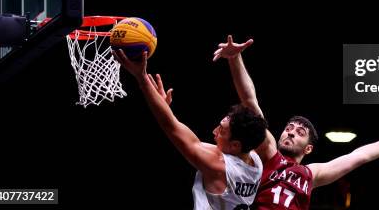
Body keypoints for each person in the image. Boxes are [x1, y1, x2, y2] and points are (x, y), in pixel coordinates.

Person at [213, 36, 379, 210]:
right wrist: (235, 58)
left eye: (300, 132)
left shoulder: (312, 174)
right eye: (288, 129)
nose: (291, 133)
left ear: (309, 148)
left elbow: (360, 156)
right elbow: (250, 102)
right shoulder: (268, 153)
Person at [113, 49, 268, 210]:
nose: (214, 132)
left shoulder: (218, 164)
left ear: (235, 145)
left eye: (221, 130)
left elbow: (171, 127)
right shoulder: (256, 161)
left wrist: (141, 77)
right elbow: (252, 106)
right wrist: (165, 109)